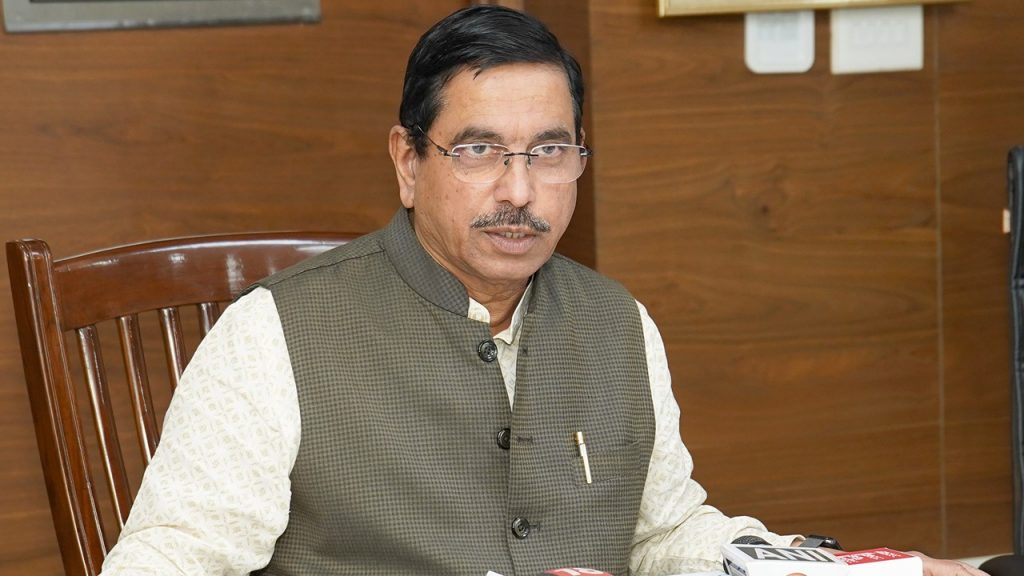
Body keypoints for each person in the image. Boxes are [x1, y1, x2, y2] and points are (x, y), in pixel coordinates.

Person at [100, 6, 988, 576]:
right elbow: (173, 559)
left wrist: (864, 570)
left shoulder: (617, 322)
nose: (519, 191)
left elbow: (661, 534)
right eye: (479, 150)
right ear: (408, 162)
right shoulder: (274, 335)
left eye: (550, 151)